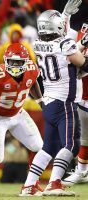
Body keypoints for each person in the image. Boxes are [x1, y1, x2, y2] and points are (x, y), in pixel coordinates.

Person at [20, 8, 88, 196]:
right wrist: (83, 42)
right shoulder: (65, 43)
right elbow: (82, 63)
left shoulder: (37, 43)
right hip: (64, 102)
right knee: (71, 145)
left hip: (49, 101)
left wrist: (68, 21)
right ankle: (54, 183)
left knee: (49, 147)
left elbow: (66, 52)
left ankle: (29, 185)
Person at [0, 43, 43, 193]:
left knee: (39, 147)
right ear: (5, 60)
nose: (15, 65)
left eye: (19, 62)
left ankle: (30, 184)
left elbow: (33, 81)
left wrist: (40, 101)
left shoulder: (32, 69)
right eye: (12, 62)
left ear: (26, 62)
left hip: (18, 114)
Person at [62, 21, 88, 186]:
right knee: (84, 139)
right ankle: (81, 171)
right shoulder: (83, 34)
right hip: (83, 96)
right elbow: (68, 52)